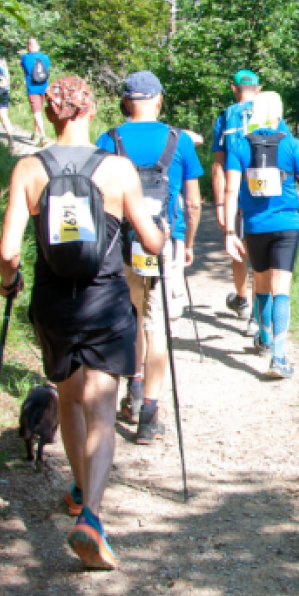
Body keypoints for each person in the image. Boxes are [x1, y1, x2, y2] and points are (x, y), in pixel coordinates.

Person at [0, 76, 167, 571]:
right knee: (100, 409)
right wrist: (161, 229)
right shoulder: (116, 168)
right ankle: (91, 514)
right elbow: (151, 244)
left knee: (69, 398)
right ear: (90, 110)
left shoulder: (28, 168)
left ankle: (75, 489)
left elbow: (9, 252)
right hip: (106, 302)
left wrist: (10, 281)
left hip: (54, 304)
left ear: (50, 114)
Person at [97, 71, 203, 443]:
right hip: (161, 242)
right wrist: (187, 243)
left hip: (120, 243)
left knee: (132, 314)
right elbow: (192, 202)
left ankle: (135, 385)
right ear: (158, 99)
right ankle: (149, 413)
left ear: (126, 102)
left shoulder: (108, 140)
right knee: (156, 322)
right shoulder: (180, 141)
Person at [223, 91, 299, 378]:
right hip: (286, 225)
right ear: (278, 115)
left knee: (262, 282)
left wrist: (230, 230)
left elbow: (231, 190)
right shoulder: (291, 144)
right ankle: (278, 358)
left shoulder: (241, 146)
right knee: (282, 288)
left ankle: (265, 340)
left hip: (255, 226)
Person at [211, 70, 261, 324]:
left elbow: (218, 165)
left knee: (237, 247)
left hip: (236, 194)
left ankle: (242, 300)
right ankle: (257, 314)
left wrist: (220, 203)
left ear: (234, 89)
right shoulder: (269, 115)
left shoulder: (225, 118)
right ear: (258, 89)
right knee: (261, 254)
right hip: (264, 194)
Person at [20, 37, 52, 144]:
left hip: (32, 88)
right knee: (38, 111)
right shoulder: (46, 57)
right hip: (44, 87)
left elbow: (24, 69)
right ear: (38, 46)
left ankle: (43, 136)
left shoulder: (25, 58)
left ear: (29, 46)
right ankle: (35, 133)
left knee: (36, 112)